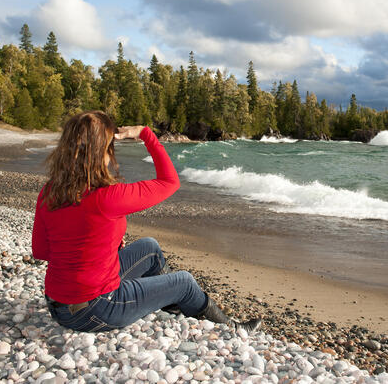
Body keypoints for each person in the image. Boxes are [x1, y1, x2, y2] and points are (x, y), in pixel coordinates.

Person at [32, 110, 260, 333]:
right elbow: (170, 182)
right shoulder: (107, 197)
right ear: (102, 152)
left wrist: (99, 247)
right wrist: (145, 134)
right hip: (96, 309)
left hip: (58, 304)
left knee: (149, 247)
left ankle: (170, 303)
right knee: (185, 282)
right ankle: (233, 329)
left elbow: (42, 250)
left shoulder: (50, 191)